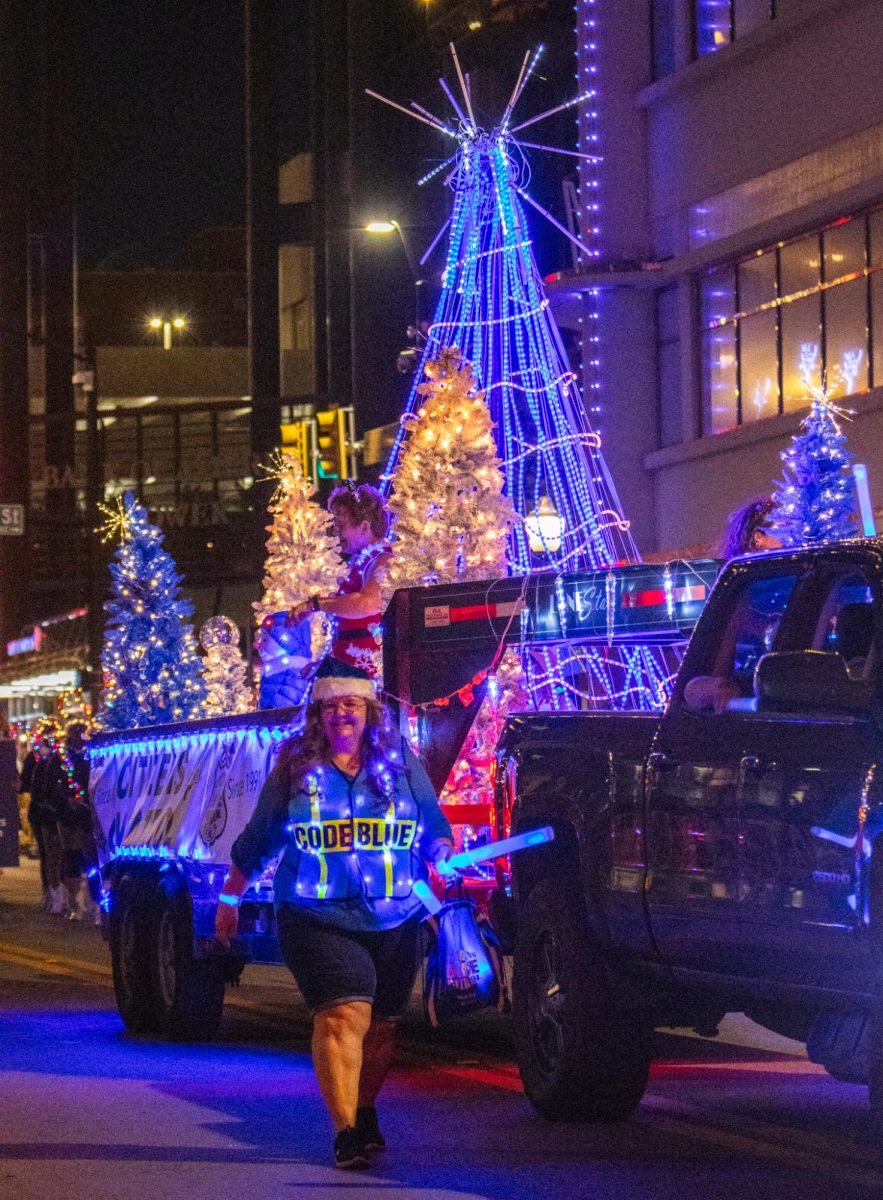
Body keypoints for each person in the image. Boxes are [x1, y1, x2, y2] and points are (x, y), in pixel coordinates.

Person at [215, 659, 453, 1170]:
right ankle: (344, 1130)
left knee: (382, 1027)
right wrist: (230, 898)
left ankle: (364, 1112)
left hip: (397, 913)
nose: (342, 715)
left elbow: (432, 820)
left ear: (368, 709)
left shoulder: (399, 761)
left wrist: (440, 852)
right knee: (345, 1015)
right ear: (318, 715)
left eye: (351, 704)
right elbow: (259, 837)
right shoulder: (296, 769)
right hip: (315, 913)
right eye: (331, 707)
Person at [288, 483, 392, 677]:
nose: (335, 531)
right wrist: (326, 661)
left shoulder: (383, 559)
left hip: (364, 674)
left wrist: (316, 604)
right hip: (349, 667)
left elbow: (367, 603)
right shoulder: (365, 560)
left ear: (364, 527)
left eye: (340, 524)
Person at [48, 723, 96, 922]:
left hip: (86, 814)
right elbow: (52, 786)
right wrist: (66, 799)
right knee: (71, 855)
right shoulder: (59, 759)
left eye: (81, 733)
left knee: (91, 858)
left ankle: (94, 904)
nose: (79, 736)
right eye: (75, 733)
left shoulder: (89, 756)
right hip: (67, 814)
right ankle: (72, 902)